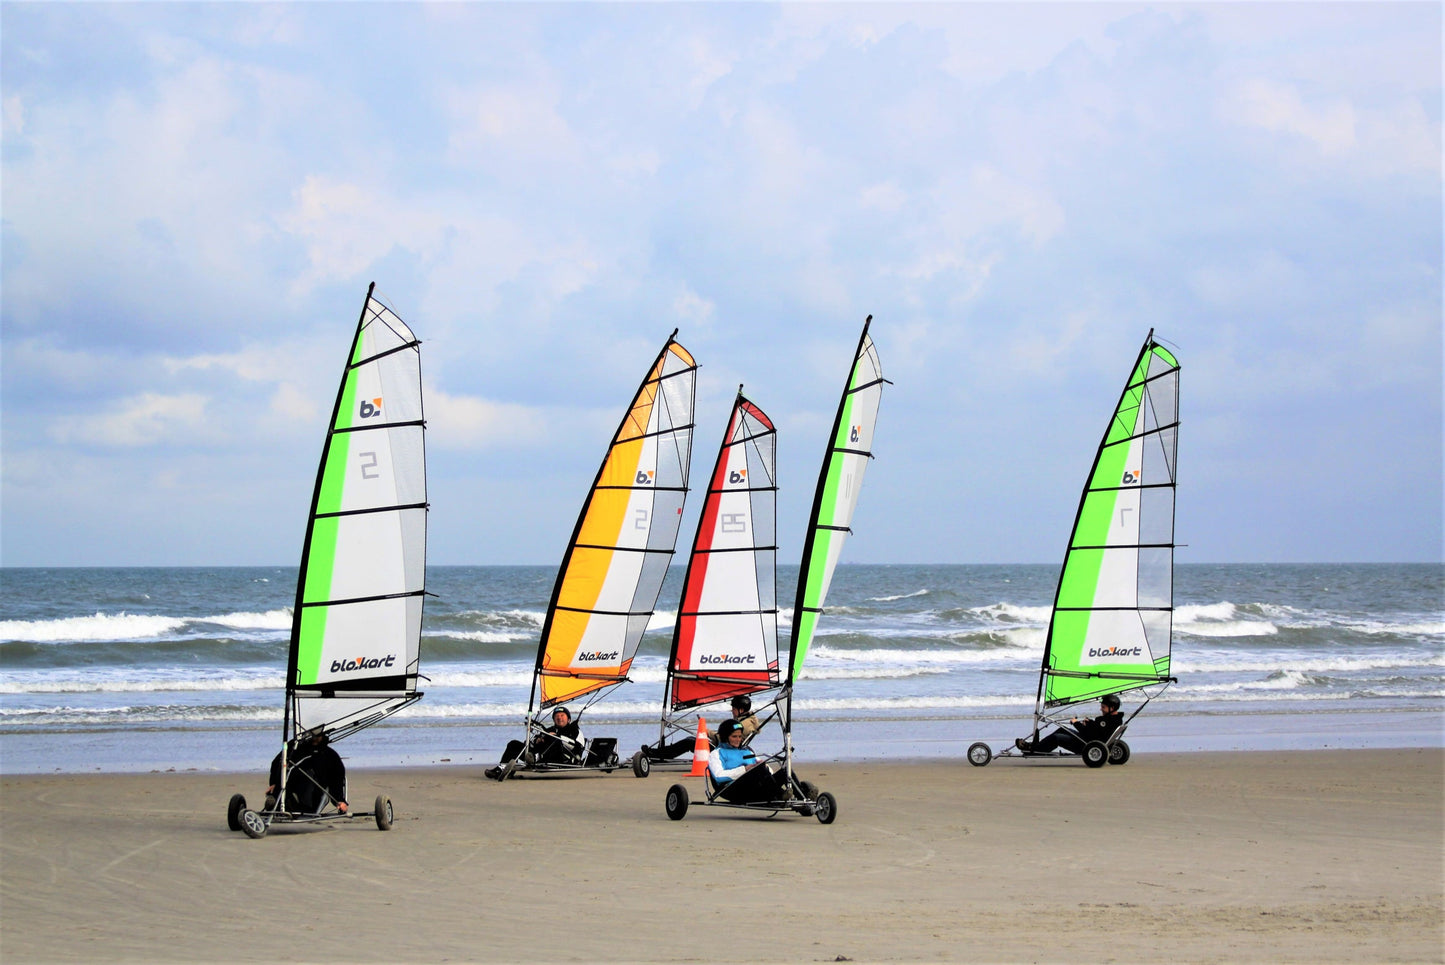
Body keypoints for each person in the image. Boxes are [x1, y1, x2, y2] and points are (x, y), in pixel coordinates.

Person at [643, 695, 763, 761]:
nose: (732, 711)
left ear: (741, 710)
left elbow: (725, 738)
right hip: (724, 747)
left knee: (689, 742)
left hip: (724, 751)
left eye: (734, 709)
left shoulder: (744, 724)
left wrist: (707, 732)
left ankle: (658, 754)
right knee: (691, 739)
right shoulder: (746, 720)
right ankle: (661, 753)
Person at [486, 706, 584, 779]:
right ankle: (501, 769)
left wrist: (557, 737)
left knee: (553, 739)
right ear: (554, 719)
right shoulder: (550, 729)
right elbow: (532, 742)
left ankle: (535, 757)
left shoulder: (575, 730)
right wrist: (537, 740)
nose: (559, 718)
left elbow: (578, 747)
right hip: (536, 757)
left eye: (562, 715)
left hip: (563, 759)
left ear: (568, 719)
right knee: (514, 744)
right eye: (557, 716)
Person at [267, 728, 348, 814]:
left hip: (314, 791)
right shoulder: (295, 747)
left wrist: (339, 800)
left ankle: (292, 803)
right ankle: (277, 801)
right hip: (290, 785)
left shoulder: (329, 755)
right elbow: (277, 762)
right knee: (288, 776)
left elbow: (337, 779)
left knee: (308, 776)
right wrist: (273, 782)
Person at [708, 718, 790, 804]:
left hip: (756, 787)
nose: (738, 740)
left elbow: (769, 772)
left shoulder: (747, 751)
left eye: (740, 736)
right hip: (732, 790)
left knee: (786, 771)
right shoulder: (716, 753)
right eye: (734, 736)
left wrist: (765, 767)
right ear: (725, 737)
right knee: (757, 769)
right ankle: (780, 795)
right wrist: (744, 769)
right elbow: (719, 776)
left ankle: (799, 798)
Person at [1015, 693, 1125, 755]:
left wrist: (1076, 723)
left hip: (1086, 745)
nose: (1101, 709)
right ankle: (1037, 746)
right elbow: (1097, 731)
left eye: (1103, 707)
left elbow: (1090, 734)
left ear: (1112, 708)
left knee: (1056, 738)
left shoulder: (1105, 721)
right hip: (1088, 740)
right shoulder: (1114, 719)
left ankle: (1034, 750)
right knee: (1062, 729)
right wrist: (1090, 723)